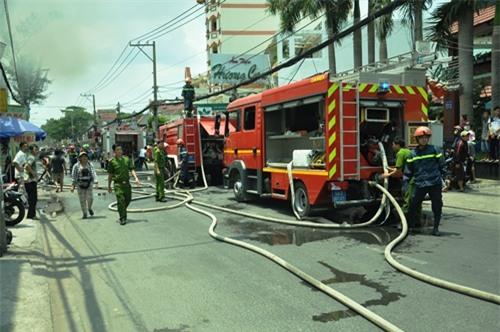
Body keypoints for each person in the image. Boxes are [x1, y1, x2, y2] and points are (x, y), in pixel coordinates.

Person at [406, 127, 444, 236]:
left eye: (426, 137)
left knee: (437, 206)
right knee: (413, 205)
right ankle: (411, 227)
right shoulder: (412, 154)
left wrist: (446, 180)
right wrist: (405, 185)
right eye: (421, 137)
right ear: (417, 139)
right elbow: (408, 172)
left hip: (434, 183)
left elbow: (442, 166)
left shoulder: (435, 150)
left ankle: (435, 228)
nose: (424, 139)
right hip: (420, 183)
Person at [381, 138, 420, 223]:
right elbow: (401, 167)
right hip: (417, 177)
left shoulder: (400, 153)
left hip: (409, 179)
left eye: (393, 144)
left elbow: (398, 170)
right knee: (415, 199)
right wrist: (389, 168)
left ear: (397, 145)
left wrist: (386, 174)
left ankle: (403, 221)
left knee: (407, 200)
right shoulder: (408, 151)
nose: (392, 146)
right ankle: (416, 221)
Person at [107, 144, 141, 225]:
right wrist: (109, 186)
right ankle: (123, 218)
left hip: (127, 184)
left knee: (128, 199)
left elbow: (131, 169)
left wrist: (136, 178)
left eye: (120, 149)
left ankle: (121, 210)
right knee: (121, 200)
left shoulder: (126, 159)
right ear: (114, 151)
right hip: (118, 185)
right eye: (118, 150)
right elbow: (110, 175)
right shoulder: (112, 162)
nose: (120, 151)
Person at [71, 151, 98, 219]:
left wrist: (96, 181)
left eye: (85, 156)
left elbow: (93, 172)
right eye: (82, 157)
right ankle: (84, 213)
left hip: (89, 184)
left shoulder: (90, 165)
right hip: (80, 185)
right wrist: (73, 186)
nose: (84, 158)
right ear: (80, 158)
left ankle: (89, 208)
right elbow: (74, 176)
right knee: (82, 200)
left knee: (90, 198)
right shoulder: (76, 166)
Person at [24, 144, 40, 220]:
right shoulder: (31, 157)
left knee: (32, 199)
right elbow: (27, 166)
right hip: (30, 181)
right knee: (33, 199)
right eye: (35, 149)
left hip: (30, 181)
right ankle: (32, 215)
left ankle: (31, 215)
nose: (37, 151)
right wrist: (33, 173)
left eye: (37, 149)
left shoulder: (31, 157)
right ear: (31, 150)